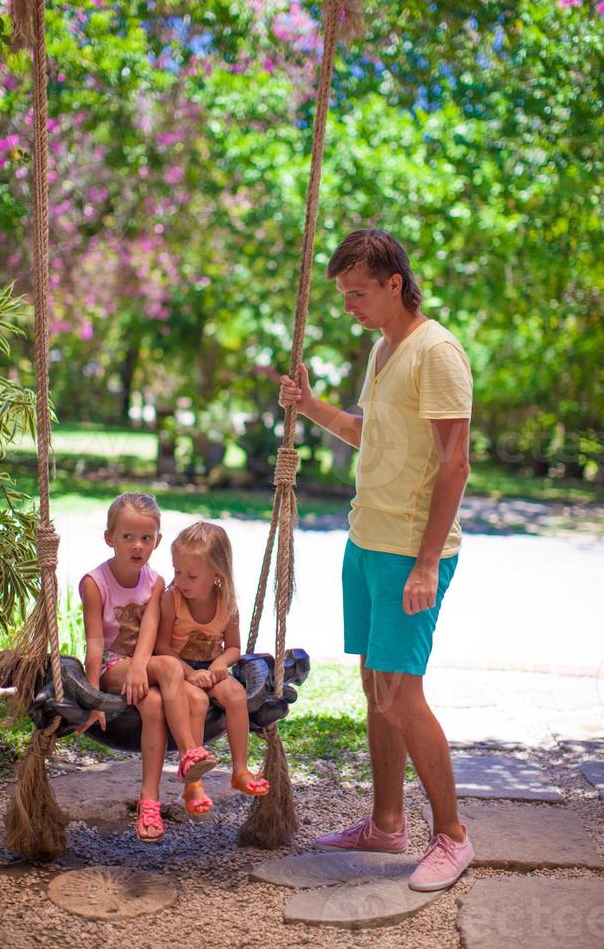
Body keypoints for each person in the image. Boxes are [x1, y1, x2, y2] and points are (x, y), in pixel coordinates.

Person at [278, 228, 474, 892]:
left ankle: (452, 835)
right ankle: (387, 822)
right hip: (366, 542)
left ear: (395, 283)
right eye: (344, 295)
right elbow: (368, 435)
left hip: (408, 553)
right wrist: (309, 407)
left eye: (358, 293)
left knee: (401, 697)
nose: (350, 305)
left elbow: (456, 463)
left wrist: (424, 565)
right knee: (373, 688)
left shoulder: (437, 351)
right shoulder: (384, 348)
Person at [78, 492, 217, 842]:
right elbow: (95, 643)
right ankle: (189, 755)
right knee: (170, 668)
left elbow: (151, 629)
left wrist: (141, 666)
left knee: (166, 703)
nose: (138, 546)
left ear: (157, 539)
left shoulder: (154, 582)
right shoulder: (94, 583)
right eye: (128, 537)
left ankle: (150, 803)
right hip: (113, 664)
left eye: (146, 538)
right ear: (110, 538)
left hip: (146, 664)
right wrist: (93, 695)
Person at [155, 520, 270, 814]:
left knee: (235, 695)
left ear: (217, 575)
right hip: (179, 669)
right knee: (196, 702)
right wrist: (190, 673)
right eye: (177, 571)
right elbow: (162, 647)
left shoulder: (227, 604)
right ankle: (193, 785)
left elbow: (233, 647)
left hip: (212, 667)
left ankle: (240, 770)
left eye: (191, 575)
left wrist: (219, 664)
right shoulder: (172, 599)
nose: (181, 580)